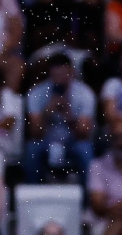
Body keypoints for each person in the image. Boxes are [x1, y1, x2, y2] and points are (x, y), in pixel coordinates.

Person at [24, 53, 96, 183]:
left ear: (72, 73)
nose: (60, 81)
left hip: (73, 142)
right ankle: (32, 197)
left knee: (85, 150)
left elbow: (84, 134)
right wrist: (47, 112)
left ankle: (88, 199)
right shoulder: (36, 93)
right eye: (56, 76)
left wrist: (68, 115)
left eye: (64, 76)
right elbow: (34, 133)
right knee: (32, 149)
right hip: (46, 141)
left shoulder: (85, 93)